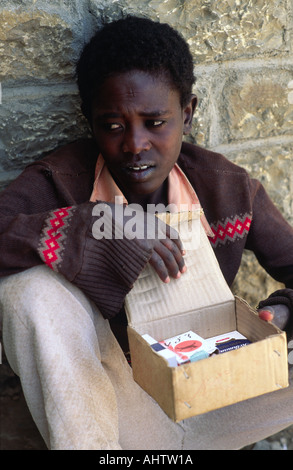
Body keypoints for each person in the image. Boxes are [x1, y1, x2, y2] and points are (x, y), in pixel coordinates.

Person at [0, 15, 292, 450]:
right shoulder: (59, 182)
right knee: (27, 290)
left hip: (215, 392)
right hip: (111, 411)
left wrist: (281, 314)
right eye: (113, 126)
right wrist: (97, 222)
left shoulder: (227, 189)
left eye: (155, 122)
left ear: (187, 113)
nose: (135, 144)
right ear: (91, 121)